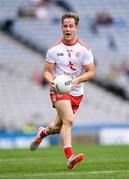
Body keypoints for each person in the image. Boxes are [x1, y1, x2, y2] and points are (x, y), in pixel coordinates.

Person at [30, 12, 95, 169]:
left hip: (77, 91)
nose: (68, 28)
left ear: (76, 28)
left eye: (71, 26)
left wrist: (77, 80)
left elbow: (91, 72)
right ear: (61, 28)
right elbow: (46, 71)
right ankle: (70, 156)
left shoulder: (84, 49)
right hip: (59, 89)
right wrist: (51, 82)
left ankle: (42, 133)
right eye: (65, 26)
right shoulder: (53, 49)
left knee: (57, 127)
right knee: (69, 120)